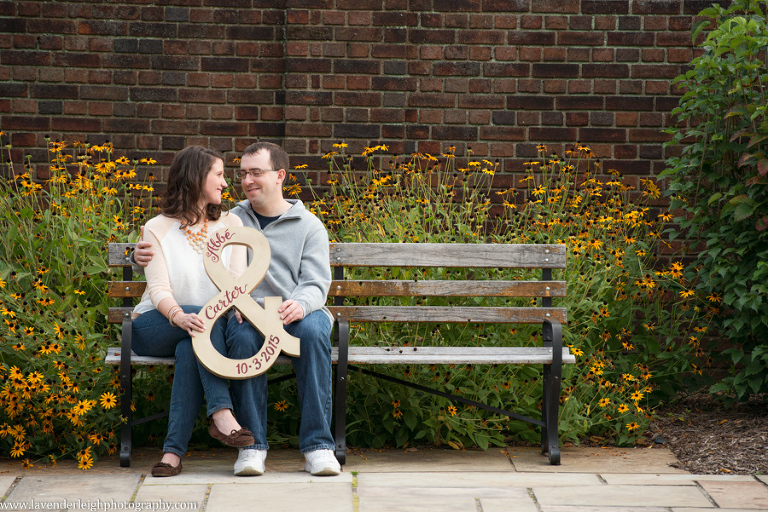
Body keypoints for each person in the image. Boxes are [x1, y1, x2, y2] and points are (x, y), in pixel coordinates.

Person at [133, 142, 339, 477]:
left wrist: (299, 305)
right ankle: (250, 445)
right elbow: (161, 280)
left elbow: (312, 283)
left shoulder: (301, 225)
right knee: (232, 335)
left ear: (280, 176)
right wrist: (135, 255)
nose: (241, 181)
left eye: (255, 173)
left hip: (284, 311)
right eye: (240, 173)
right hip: (212, 316)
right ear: (199, 178)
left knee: (313, 332)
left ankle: (318, 447)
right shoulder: (231, 217)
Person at [131, 146, 255, 477]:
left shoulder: (233, 224)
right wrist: (178, 316)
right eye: (219, 175)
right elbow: (158, 291)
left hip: (198, 332)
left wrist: (237, 307)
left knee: (192, 344)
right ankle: (221, 414)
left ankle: (172, 455)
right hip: (155, 326)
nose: (226, 184)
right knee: (202, 321)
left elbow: (238, 284)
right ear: (196, 178)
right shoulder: (156, 228)